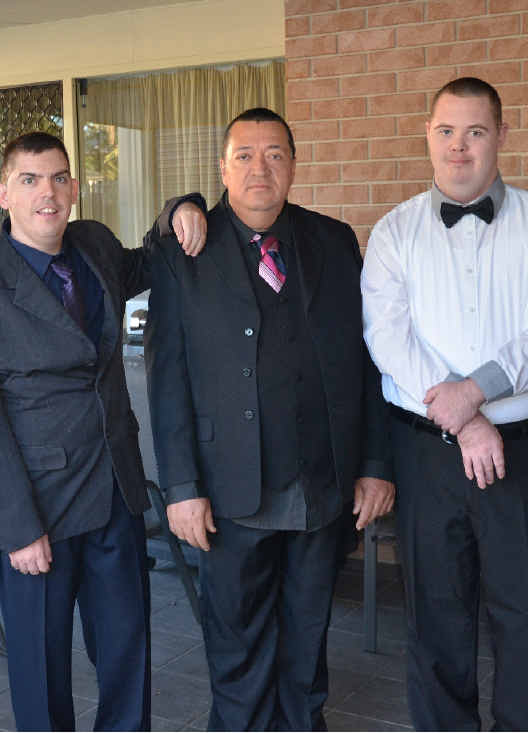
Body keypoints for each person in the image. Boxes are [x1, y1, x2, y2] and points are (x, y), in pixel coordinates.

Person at [145, 108, 395, 730]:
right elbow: (167, 375)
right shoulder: (186, 250)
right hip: (227, 491)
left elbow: (366, 362)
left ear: (294, 164)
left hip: (320, 487)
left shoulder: (334, 241)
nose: (262, 168)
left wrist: (373, 465)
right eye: (246, 155)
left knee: (307, 644)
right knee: (237, 650)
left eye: (276, 154)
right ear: (223, 168)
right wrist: (180, 488)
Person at [0, 131, 157, 731]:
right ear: (3, 192)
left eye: (59, 177)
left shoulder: (94, 246)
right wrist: (17, 528)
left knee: (127, 658)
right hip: (39, 509)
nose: (47, 192)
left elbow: (151, 259)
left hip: (116, 492)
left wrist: (184, 207)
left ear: (76, 189)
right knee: (40, 672)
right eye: (30, 180)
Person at [362, 77, 528, 730]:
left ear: (501, 138)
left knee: (523, 608)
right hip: (425, 452)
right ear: (428, 137)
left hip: (520, 451)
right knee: (436, 613)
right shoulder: (394, 232)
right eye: (446, 132)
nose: (460, 148)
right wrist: (463, 418)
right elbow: (388, 336)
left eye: (476, 132)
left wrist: (476, 389)